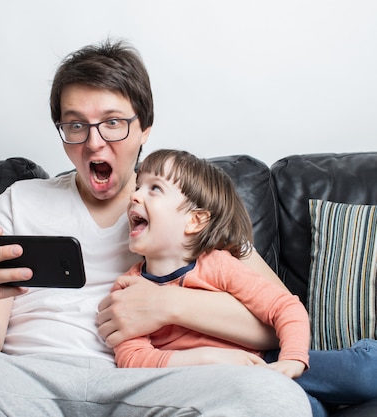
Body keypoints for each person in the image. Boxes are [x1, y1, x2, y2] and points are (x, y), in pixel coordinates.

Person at [0, 39, 311, 416]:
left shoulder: (187, 210)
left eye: (113, 123)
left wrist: (172, 303)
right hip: (22, 382)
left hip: (148, 384)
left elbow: (273, 325)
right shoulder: (19, 202)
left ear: (145, 127)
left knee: (275, 400)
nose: (93, 142)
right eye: (75, 125)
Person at [113, 148, 377, 417]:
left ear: (194, 220)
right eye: (137, 186)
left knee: (366, 373)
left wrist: (293, 360)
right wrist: (206, 359)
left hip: (266, 362)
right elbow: (132, 359)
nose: (134, 195)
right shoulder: (127, 288)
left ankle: (363, 354)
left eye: (154, 188)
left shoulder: (218, 264)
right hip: (215, 386)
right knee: (306, 409)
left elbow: (285, 307)